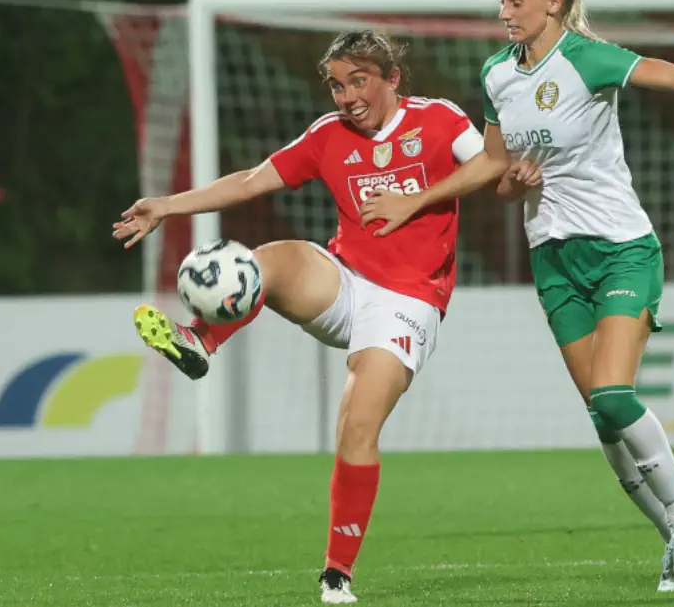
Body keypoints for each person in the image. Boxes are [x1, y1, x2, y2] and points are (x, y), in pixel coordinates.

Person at [357, 0, 674, 592]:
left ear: (553, 3)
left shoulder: (587, 59)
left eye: (515, 0)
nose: (503, 12)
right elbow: (495, 171)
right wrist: (467, 190)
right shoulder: (497, 75)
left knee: (616, 397)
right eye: (502, 1)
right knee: (599, 414)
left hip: (620, 246)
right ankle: (671, 537)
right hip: (553, 258)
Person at [112, 30, 486, 604]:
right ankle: (201, 342)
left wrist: (447, 193)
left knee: (357, 423)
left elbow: (491, 166)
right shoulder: (327, 136)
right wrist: (167, 204)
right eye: (337, 86)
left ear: (392, 77)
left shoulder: (438, 120)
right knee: (275, 259)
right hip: (346, 282)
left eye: (358, 81)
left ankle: (337, 572)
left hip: (409, 301)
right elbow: (250, 181)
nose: (346, 96)